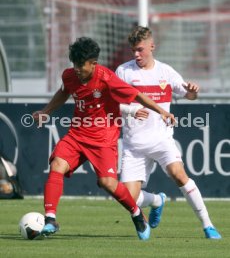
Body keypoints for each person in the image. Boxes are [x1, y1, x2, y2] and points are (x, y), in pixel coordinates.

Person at [32, 37, 176, 240]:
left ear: (93, 63)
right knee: (57, 165)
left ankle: (136, 214)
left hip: (103, 138)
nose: (77, 69)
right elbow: (64, 92)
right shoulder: (70, 76)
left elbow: (136, 96)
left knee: (108, 183)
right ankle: (50, 219)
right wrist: (46, 111)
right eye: (74, 64)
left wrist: (161, 111)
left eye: (81, 65)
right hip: (77, 135)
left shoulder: (106, 78)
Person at [116, 26, 221, 240]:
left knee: (178, 174)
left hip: (161, 140)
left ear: (152, 46)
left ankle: (208, 226)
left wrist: (192, 92)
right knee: (127, 198)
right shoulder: (123, 72)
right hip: (134, 145)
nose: (136, 55)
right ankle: (156, 200)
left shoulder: (166, 72)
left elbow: (189, 95)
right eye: (133, 51)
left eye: (140, 50)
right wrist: (131, 109)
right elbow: (112, 104)